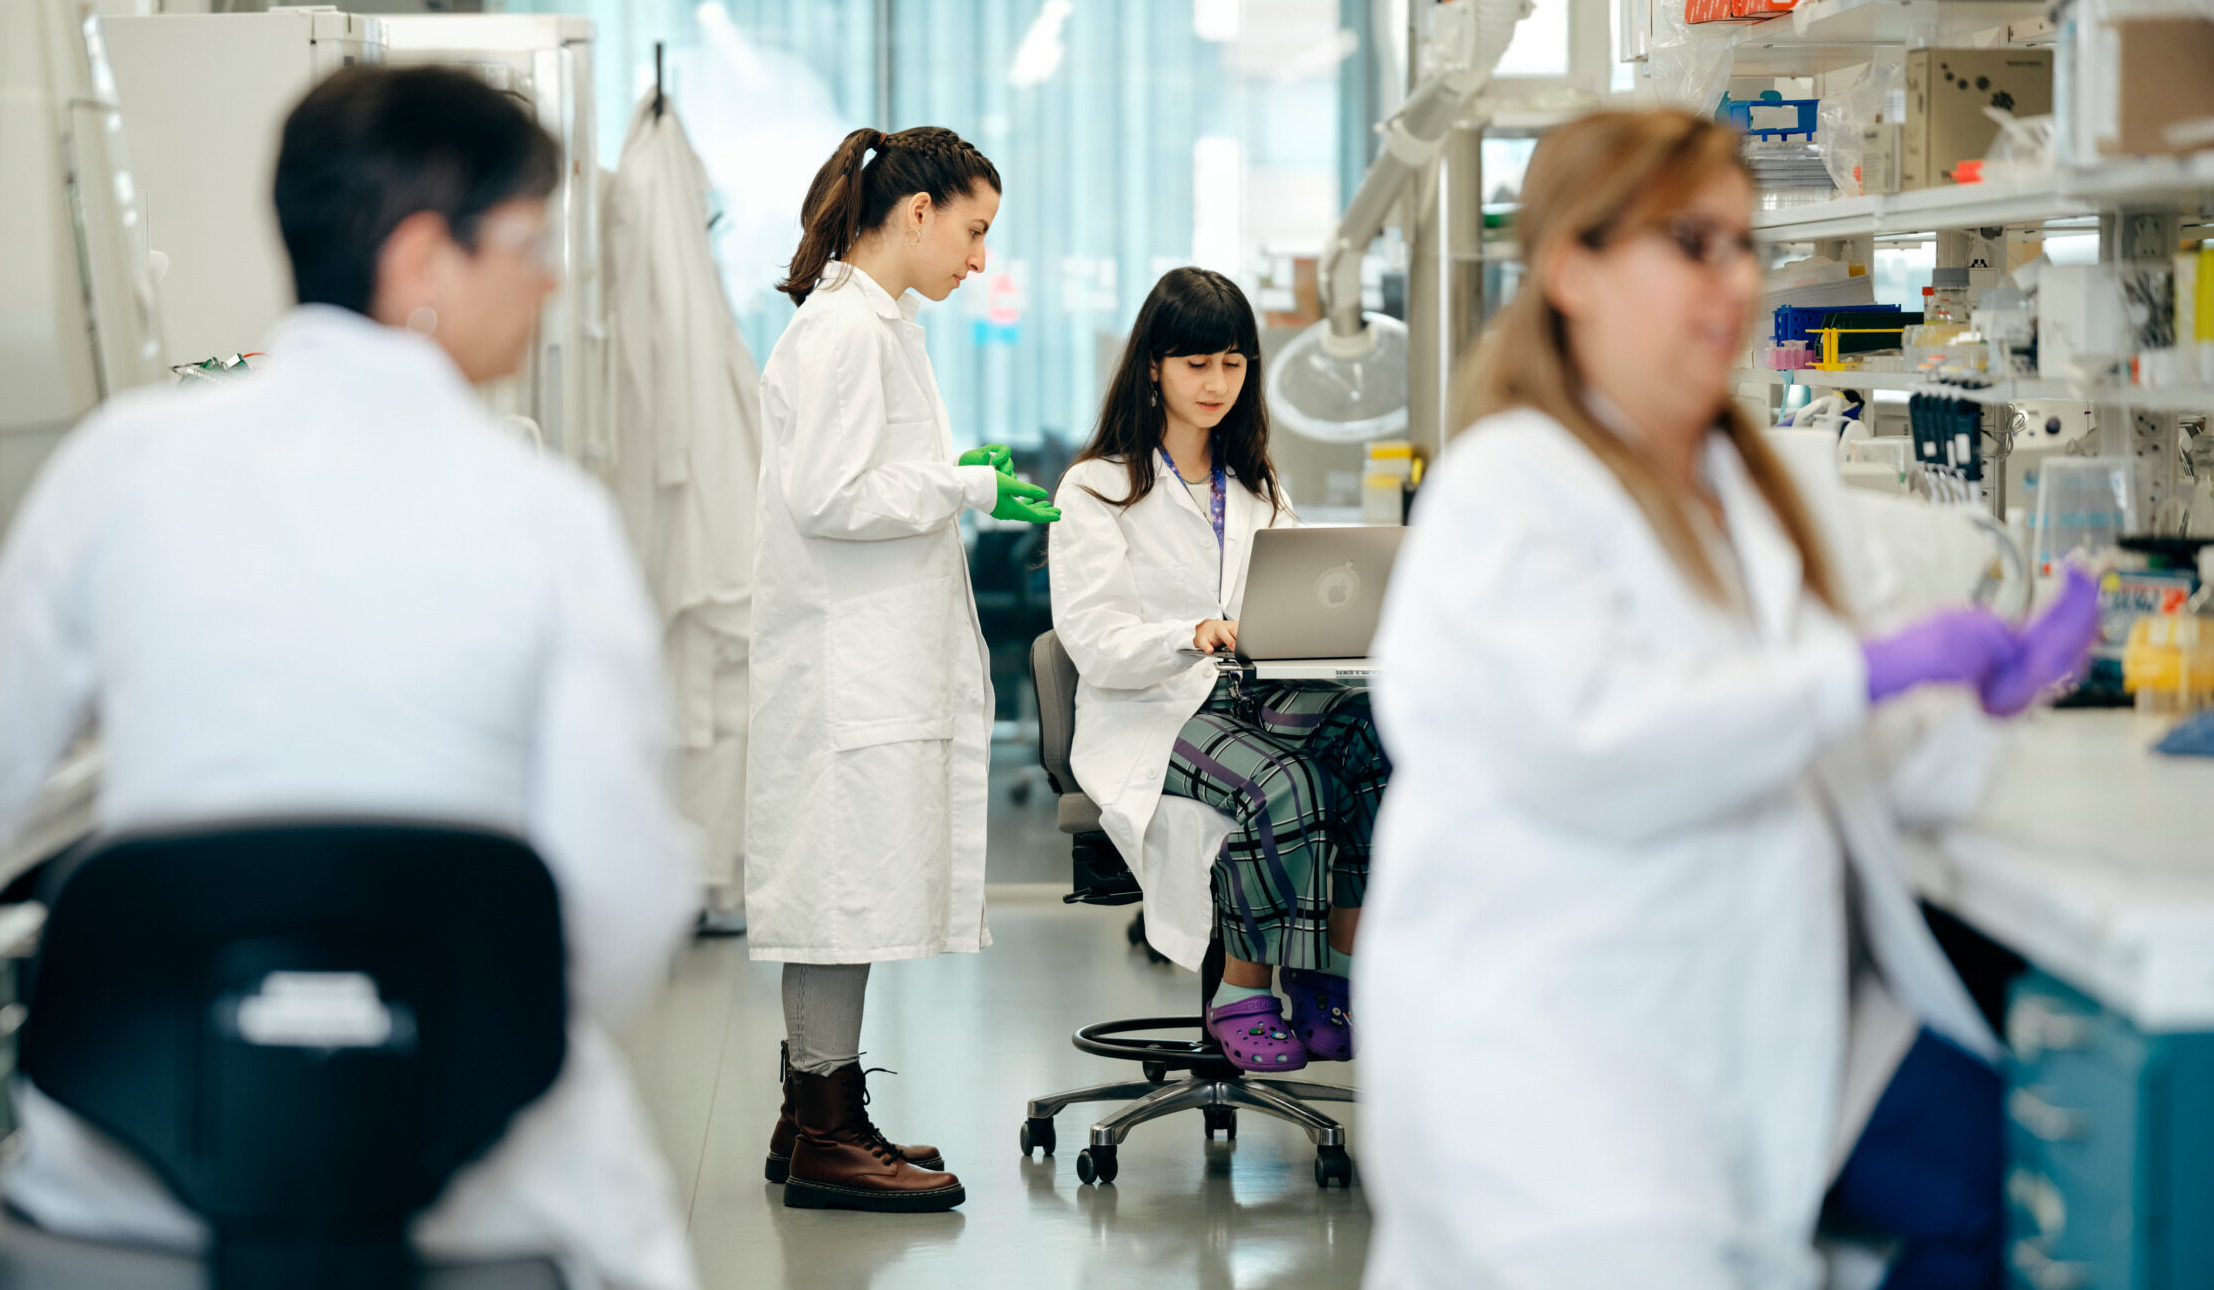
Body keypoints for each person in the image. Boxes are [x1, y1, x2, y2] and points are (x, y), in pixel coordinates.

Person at [0, 65, 702, 1290]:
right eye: (525, 241)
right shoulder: (547, 516)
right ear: (419, 264)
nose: (549, 279)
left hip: (136, 1192)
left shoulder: (125, 464)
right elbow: (620, 903)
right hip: (473, 1201)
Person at [1358, 108, 2098, 1290]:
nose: (1736, 279)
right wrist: (1860, 672)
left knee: (1992, 1186)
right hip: (1566, 1049)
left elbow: (1819, 739)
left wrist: (1984, 694)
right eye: (1690, 243)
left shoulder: (1733, 486)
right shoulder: (1506, 489)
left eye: (1743, 245)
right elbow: (1602, 738)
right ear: (1571, 269)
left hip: (1760, 1001)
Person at [746, 124, 1050, 1215]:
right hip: (844, 672)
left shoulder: (878, 326)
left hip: (861, 661)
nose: (977, 260)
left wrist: (946, 476)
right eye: (972, 232)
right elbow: (827, 499)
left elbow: (857, 476)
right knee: (840, 897)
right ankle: (825, 1131)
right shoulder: (844, 333)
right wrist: (957, 488)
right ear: (915, 212)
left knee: (851, 891)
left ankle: (810, 1115)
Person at [1050, 267, 1386, 1072]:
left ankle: (1328, 976)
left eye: (1232, 363)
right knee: (1282, 784)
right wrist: (1190, 632)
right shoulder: (1096, 489)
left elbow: (1297, 596)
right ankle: (1242, 990)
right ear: (1154, 366)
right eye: (1196, 363)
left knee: (1377, 744)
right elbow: (1093, 638)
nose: (1216, 382)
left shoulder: (1258, 486)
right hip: (1154, 710)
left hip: (1252, 698)